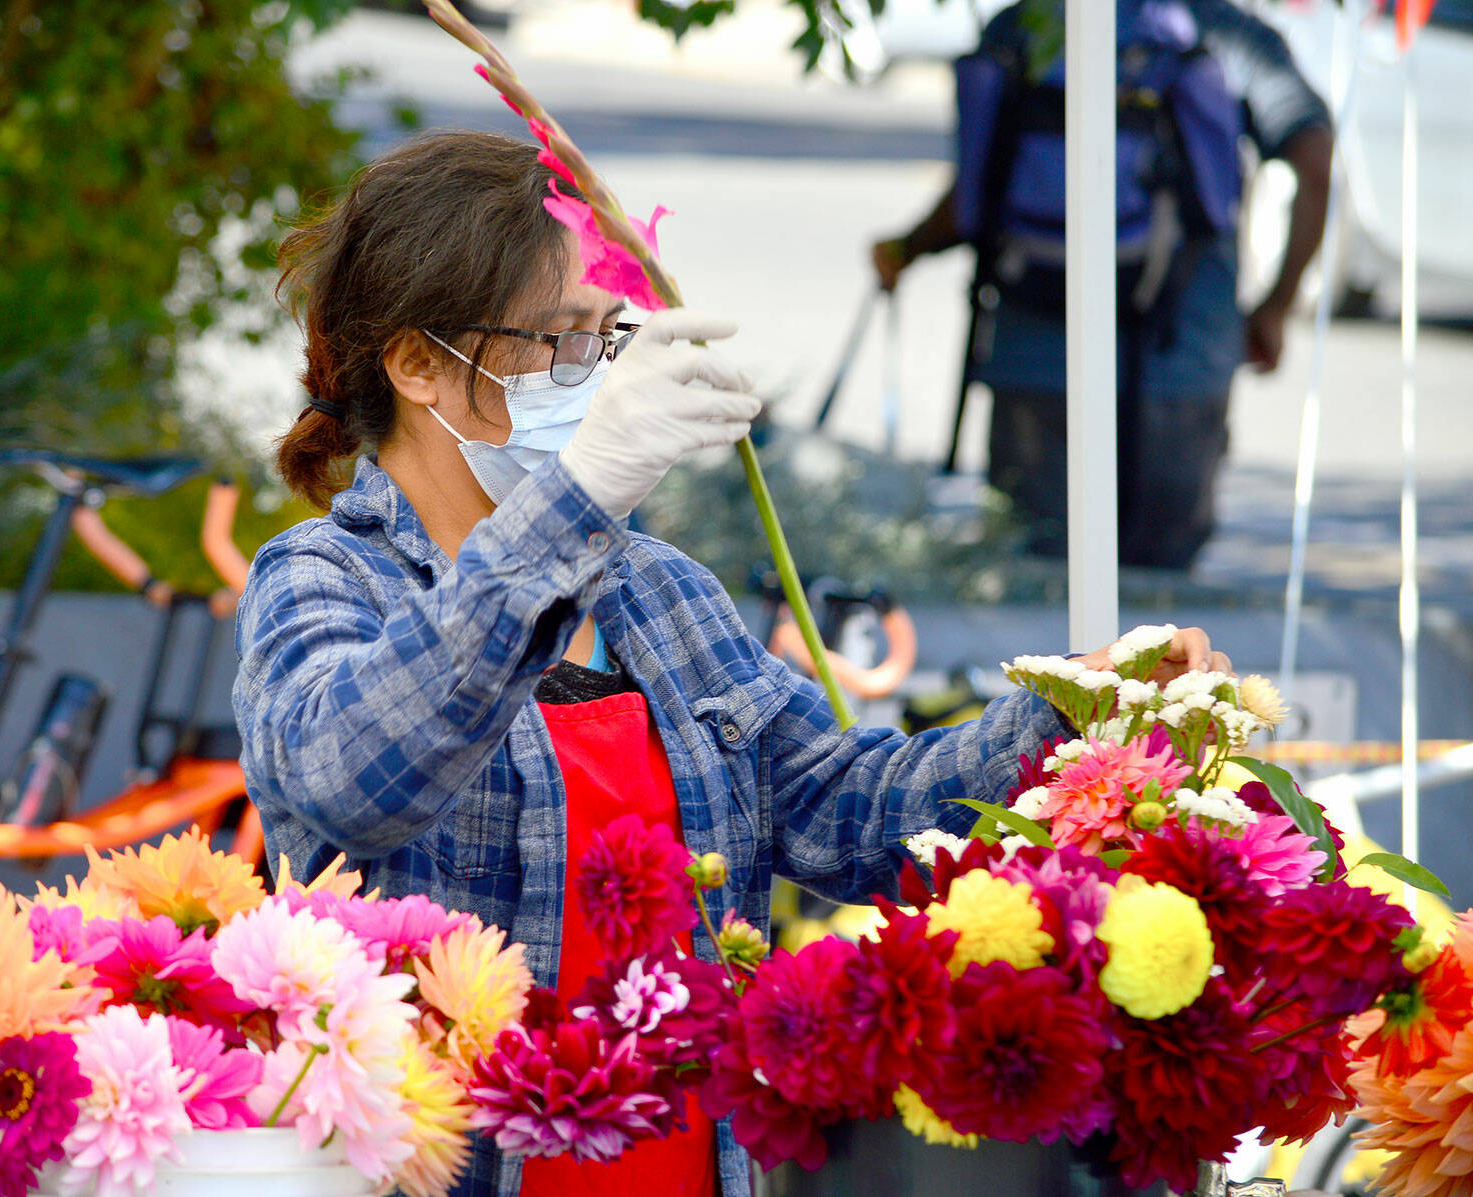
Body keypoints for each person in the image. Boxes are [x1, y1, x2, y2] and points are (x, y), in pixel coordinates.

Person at [232, 129, 1231, 1197]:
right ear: (418, 361)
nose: (588, 376)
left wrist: (1062, 717)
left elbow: (844, 815)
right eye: (552, 340)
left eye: (600, 338)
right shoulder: (323, 578)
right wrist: (573, 500)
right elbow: (355, 778)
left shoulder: (656, 591)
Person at [872, 0, 1334, 570]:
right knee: (1159, 614)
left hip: (1034, 362)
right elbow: (1314, 162)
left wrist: (903, 250)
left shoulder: (1028, 25)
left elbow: (976, 188)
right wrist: (1275, 307)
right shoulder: (1224, 35)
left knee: (1038, 591)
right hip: (1178, 362)